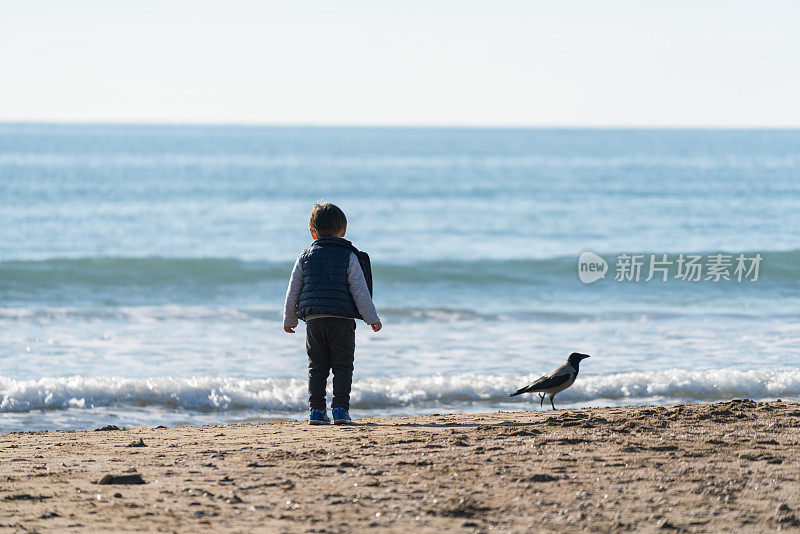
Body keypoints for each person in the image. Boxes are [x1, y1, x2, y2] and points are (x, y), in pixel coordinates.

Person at [283, 203, 382, 425]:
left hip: (314, 322)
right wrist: (371, 318)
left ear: (312, 232)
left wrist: (289, 318)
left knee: (316, 368)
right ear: (343, 231)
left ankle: (316, 412)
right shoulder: (349, 256)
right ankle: (340, 411)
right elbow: (360, 290)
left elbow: (293, 291)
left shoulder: (304, 256)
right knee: (343, 367)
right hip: (342, 322)